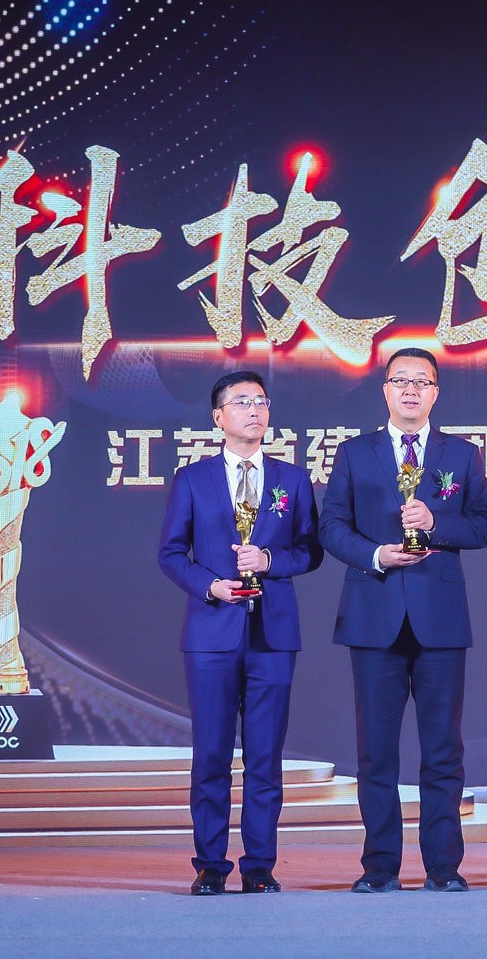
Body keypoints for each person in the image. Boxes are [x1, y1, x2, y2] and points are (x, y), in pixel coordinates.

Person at [319, 347, 487, 893]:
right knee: (376, 752)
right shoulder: (355, 453)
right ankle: (379, 868)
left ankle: (443, 867)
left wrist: (435, 522)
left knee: (443, 750)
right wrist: (376, 554)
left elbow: (483, 527)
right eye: (401, 380)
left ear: (436, 392)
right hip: (373, 614)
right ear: (386, 390)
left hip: (439, 619)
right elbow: (331, 527)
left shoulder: (462, 454)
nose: (411, 390)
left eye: (422, 381)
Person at [157, 370, 323, 896]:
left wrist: (270, 561)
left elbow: (310, 551)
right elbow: (171, 553)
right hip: (211, 634)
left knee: (265, 756)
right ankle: (210, 865)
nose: (254, 410)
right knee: (211, 753)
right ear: (218, 417)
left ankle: (259, 866)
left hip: (273, 635)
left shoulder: (292, 479)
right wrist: (211, 587)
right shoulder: (193, 479)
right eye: (242, 401)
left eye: (261, 401)